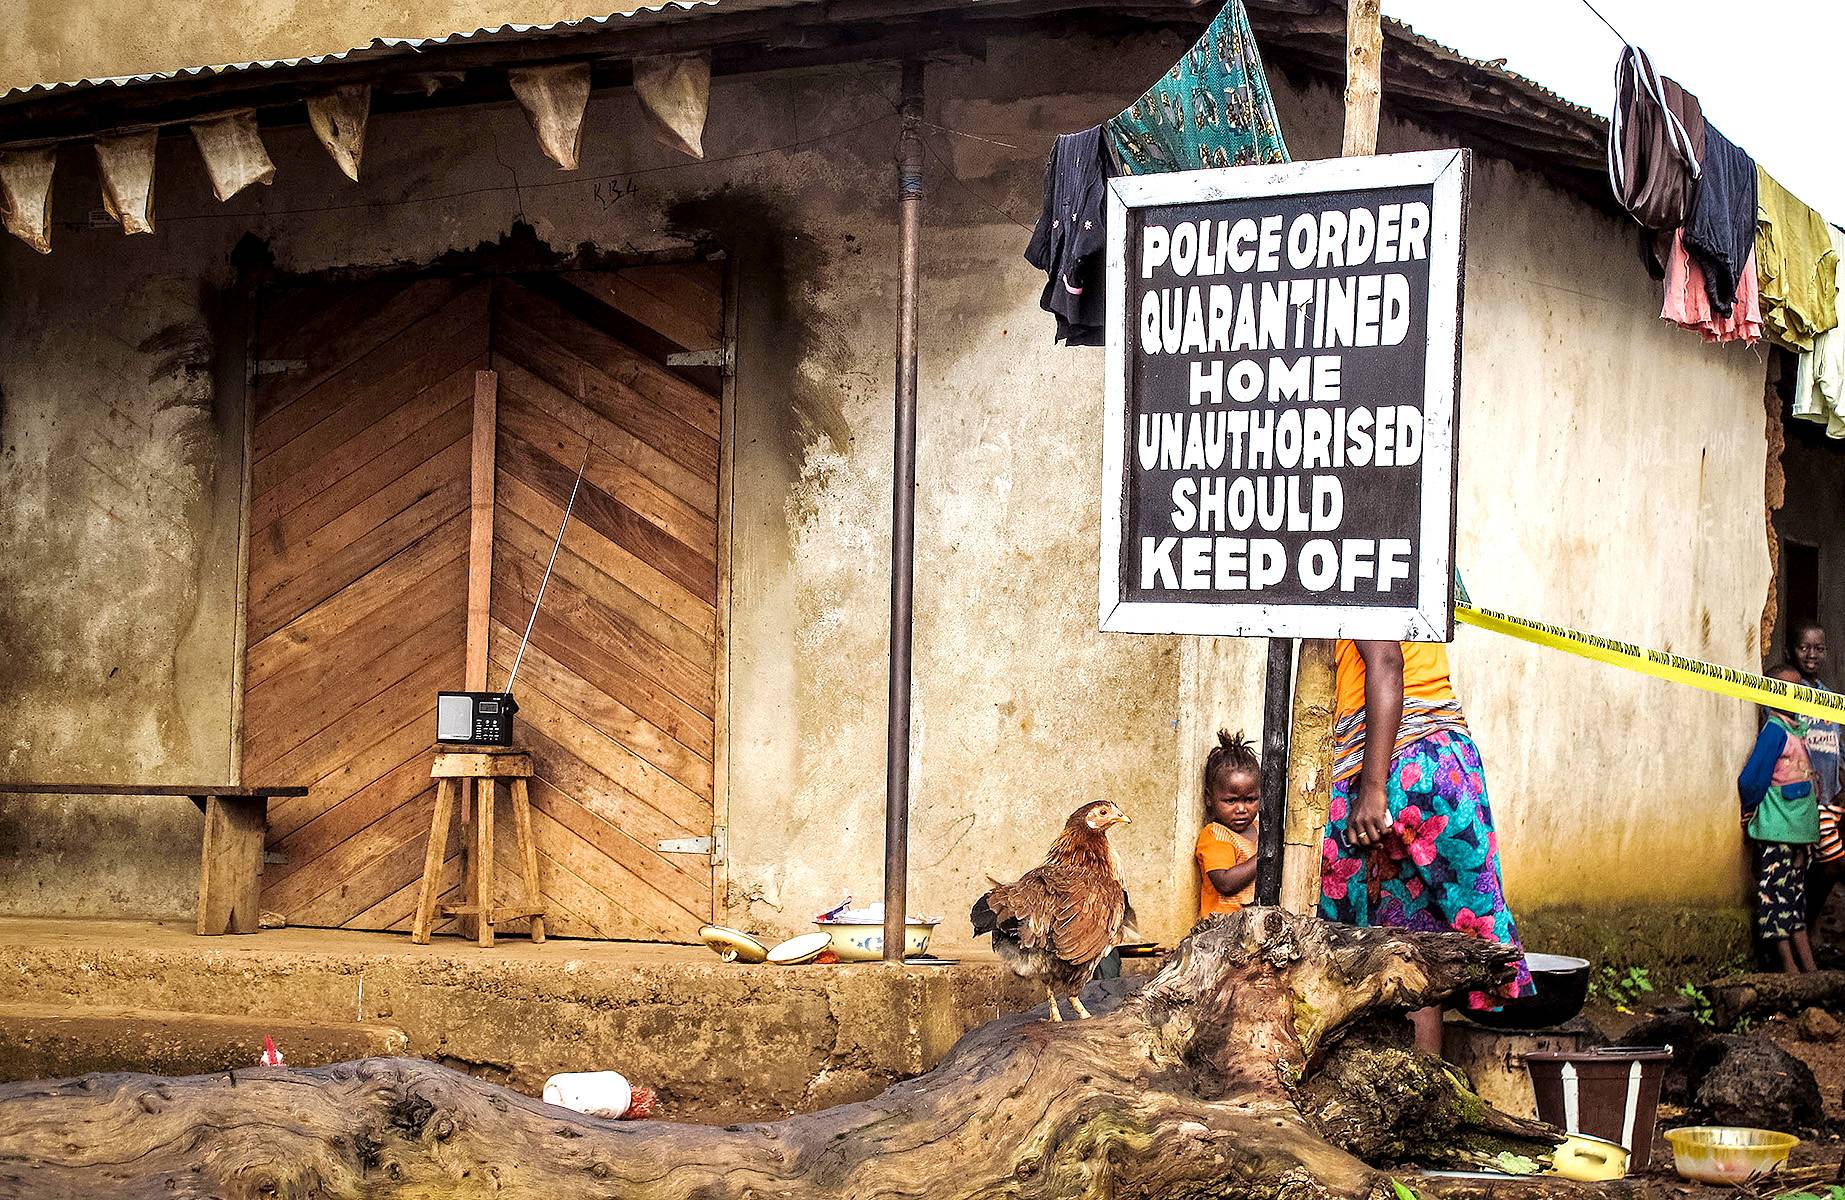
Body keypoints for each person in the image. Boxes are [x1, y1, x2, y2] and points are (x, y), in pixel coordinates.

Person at [1319, 640, 1533, 1056]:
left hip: (1394, 761)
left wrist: (1374, 788)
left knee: (1343, 944)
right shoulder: (1431, 576)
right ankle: (1418, 1100)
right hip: (1442, 762)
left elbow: (1386, 661)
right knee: (1416, 950)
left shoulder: (1371, 572)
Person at [1739, 665, 1822, 973]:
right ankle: (1790, 969)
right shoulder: (1775, 730)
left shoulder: (1797, 731)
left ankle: (1809, 970)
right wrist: (1750, 811)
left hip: (1798, 833)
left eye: (1799, 689)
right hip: (1777, 830)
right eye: (1786, 689)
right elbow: (1752, 779)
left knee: (1794, 899)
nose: (1795, 695)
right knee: (1775, 897)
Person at [1785, 623, 1845, 933]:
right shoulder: (1787, 694)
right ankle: (1801, 929)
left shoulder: (1830, 697)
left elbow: (1837, 745)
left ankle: (1802, 928)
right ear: (1789, 650)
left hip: (1830, 797)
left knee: (1826, 865)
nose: (1811, 654)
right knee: (1828, 862)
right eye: (1803, 647)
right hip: (1803, 797)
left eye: (1818, 648)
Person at [1196, 730, 1261, 917]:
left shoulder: (1259, 829)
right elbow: (1225, 883)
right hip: (1219, 932)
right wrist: (1265, 855)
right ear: (1210, 798)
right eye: (1231, 801)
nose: (1241, 809)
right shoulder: (1216, 835)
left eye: (1250, 800)